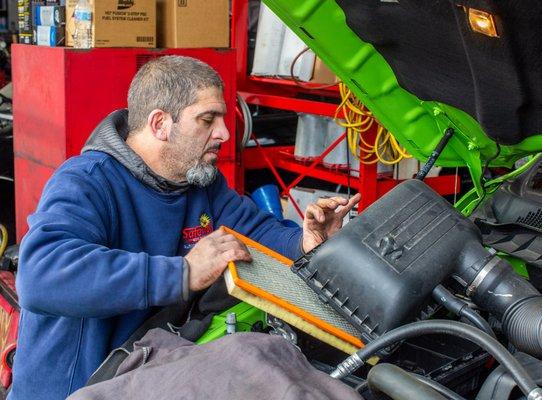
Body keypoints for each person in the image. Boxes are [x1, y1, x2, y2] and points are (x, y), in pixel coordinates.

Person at [10, 56, 360, 400]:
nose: (223, 133)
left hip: (148, 368)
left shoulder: (201, 186)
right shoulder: (89, 182)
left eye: (222, 118)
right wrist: (184, 272)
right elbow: (42, 275)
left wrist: (305, 242)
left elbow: (256, 231)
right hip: (79, 388)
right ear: (160, 124)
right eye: (207, 119)